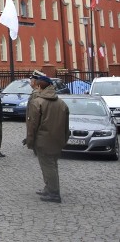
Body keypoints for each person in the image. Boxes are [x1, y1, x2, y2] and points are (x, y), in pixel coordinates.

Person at [25, 74, 70, 203]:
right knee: (52, 165)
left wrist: (30, 141)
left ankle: (54, 193)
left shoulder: (38, 102)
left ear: (39, 86)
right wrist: (64, 139)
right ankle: (49, 187)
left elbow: (32, 125)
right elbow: (66, 125)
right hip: (57, 139)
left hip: (43, 140)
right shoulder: (61, 103)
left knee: (48, 166)